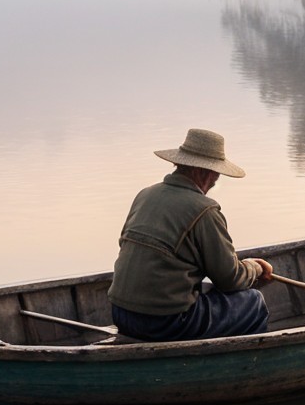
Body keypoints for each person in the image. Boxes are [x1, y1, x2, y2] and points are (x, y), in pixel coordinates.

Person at [108, 128, 273, 341]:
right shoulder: (205, 210)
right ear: (205, 172)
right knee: (253, 302)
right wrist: (255, 267)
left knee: (209, 295)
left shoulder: (145, 195)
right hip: (165, 322)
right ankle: (245, 367)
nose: (215, 180)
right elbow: (230, 280)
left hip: (120, 314)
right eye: (216, 173)